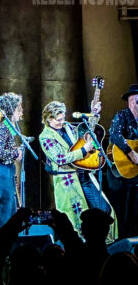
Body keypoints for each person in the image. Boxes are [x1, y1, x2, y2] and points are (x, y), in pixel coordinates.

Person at [39, 100, 117, 240]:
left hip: (84, 174)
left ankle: (104, 243)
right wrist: (83, 150)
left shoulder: (68, 127)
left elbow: (87, 131)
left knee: (103, 209)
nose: (62, 122)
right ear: (49, 119)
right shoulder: (45, 137)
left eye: (63, 118)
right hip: (67, 180)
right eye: (58, 120)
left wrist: (95, 113)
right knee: (77, 219)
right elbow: (60, 158)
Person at [0, 92, 23, 235]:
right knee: (3, 218)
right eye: (19, 108)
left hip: (5, 172)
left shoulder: (5, 126)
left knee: (9, 216)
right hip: (0, 173)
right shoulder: (1, 126)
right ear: (11, 109)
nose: (21, 111)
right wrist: (15, 153)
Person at [107, 84, 138, 239]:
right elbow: (115, 136)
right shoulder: (122, 116)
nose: (134, 103)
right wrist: (131, 152)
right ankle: (122, 237)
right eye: (132, 100)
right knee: (123, 206)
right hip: (120, 173)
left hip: (135, 174)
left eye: (137, 100)